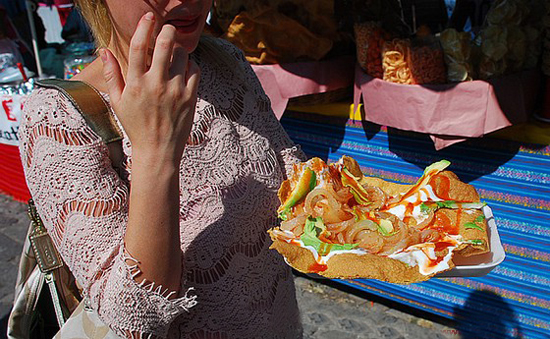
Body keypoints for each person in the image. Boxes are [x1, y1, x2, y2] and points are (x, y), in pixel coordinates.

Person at [18, 0, 305, 338]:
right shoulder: (59, 118)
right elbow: (133, 318)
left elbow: (292, 177)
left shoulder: (226, 62)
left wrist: (362, 209)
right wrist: (156, 153)